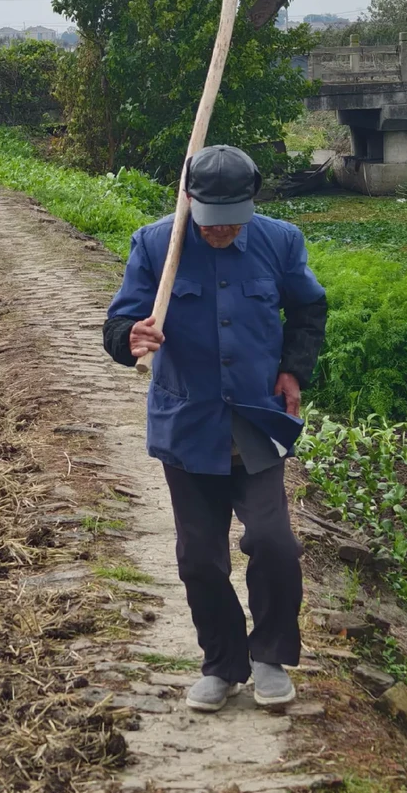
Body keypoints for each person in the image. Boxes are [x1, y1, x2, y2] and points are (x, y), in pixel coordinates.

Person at [103, 144, 328, 712]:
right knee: (199, 558)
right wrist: (130, 338)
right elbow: (119, 322)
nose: (221, 230)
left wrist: (293, 371)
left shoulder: (280, 242)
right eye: (209, 220)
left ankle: (269, 657)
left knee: (274, 543)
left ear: (252, 202)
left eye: (233, 219)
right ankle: (222, 664)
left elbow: (308, 310)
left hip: (257, 420)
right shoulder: (155, 244)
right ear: (188, 199)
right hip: (188, 425)